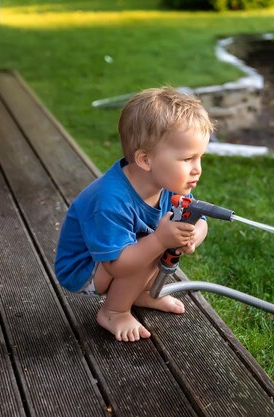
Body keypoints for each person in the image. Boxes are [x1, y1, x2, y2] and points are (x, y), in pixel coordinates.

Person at [54, 87, 212, 342]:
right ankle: (114, 311)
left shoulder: (167, 185)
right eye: (187, 159)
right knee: (152, 246)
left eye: (200, 158)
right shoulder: (111, 200)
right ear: (146, 160)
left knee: (157, 241)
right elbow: (116, 264)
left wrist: (193, 234)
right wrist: (161, 240)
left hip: (119, 257)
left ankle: (141, 293)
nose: (198, 170)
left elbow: (198, 219)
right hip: (85, 268)